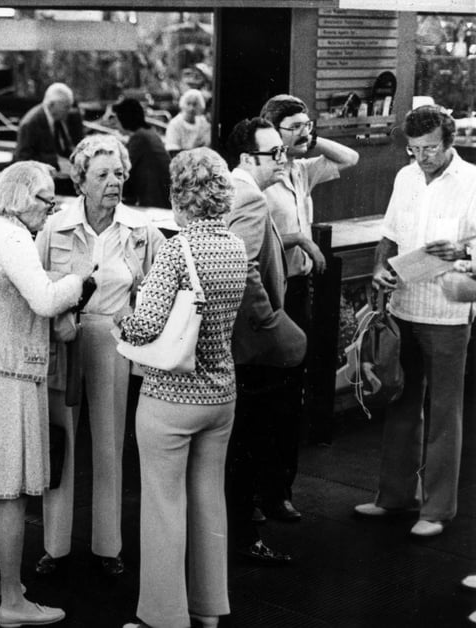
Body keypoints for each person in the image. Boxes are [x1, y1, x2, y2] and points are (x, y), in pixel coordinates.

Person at [0, 161, 89, 628]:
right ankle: (12, 600)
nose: (49, 213)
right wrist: (79, 278)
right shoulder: (13, 239)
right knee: (11, 491)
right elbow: (46, 301)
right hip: (10, 373)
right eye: (46, 202)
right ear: (21, 197)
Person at [118, 147, 247, 628]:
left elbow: (145, 328)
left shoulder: (177, 250)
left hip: (170, 399)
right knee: (210, 502)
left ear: (179, 197)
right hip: (221, 395)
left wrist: (122, 318)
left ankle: (163, 617)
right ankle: (208, 609)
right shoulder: (235, 246)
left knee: (163, 507)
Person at [34, 134, 165, 578]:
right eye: (103, 174)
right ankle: (54, 547)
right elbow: (36, 286)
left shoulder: (141, 230)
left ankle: (108, 546)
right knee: (61, 441)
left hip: (113, 338)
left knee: (109, 443)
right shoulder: (55, 227)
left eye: (120, 173)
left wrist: (137, 322)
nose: (114, 182)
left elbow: (157, 286)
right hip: (64, 339)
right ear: (80, 180)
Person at [354, 105, 476, 538]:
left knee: (444, 412)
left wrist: (456, 253)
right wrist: (378, 268)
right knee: (401, 402)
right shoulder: (405, 177)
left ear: (449, 143)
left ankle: (437, 511)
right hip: (402, 307)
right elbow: (389, 235)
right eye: (414, 149)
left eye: (429, 149)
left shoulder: (472, 182)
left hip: (448, 313)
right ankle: (394, 497)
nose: (422, 157)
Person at [257, 94, 359, 522]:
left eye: (307, 124)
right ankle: (253, 494)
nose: (304, 132)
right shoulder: (257, 178)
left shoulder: (301, 170)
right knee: (263, 393)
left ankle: (279, 491)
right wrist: (298, 239)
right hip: (265, 291)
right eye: (294, 126)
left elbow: (350, 157)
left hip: (297, 289)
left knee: (290, 393)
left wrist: (308, 139)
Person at [223, 117, 306, 565]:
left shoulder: (232, 190)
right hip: (253, 346)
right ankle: (244, 535)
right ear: (246, 158)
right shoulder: (251, 197)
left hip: (238, 344)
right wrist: (275, 324)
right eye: (273, 153)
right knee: (249, 442)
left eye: (282, 150)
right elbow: (244, 268)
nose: (283, 158)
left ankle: (239, 526)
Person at [114, 97, 171, 208]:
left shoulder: (140, 138)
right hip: (163, 196)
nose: (116, 125)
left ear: (124, 118)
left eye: (117, 120)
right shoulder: (149, 133)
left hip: (154, 201)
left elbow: (123, 168)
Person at [13, 82, 84, 171]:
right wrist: (55, 162)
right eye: (66, 107)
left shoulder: (58, 118)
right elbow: (22, 159)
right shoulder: (30, 124)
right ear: (51, 105)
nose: (68, 111)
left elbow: (64, 148)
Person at [165, 89, 211, 154]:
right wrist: (192, 148)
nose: (191, 108)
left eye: (195, 104)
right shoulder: (175, 124)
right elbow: (172, 150)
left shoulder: (203, 122)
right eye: (188, 104)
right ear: (183, 104)